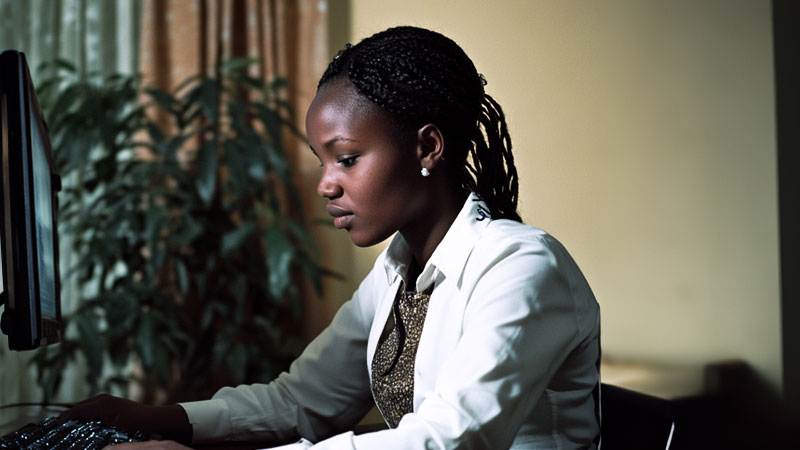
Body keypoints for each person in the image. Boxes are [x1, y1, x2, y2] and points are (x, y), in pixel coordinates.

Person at [64, 26, 601, 449]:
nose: (325, 184)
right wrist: (159, 419)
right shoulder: (398, 271)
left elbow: (454, 440)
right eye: (321, 161)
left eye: (346, 158)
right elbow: (301, 402)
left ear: (427, 147)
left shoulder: (521, 266)